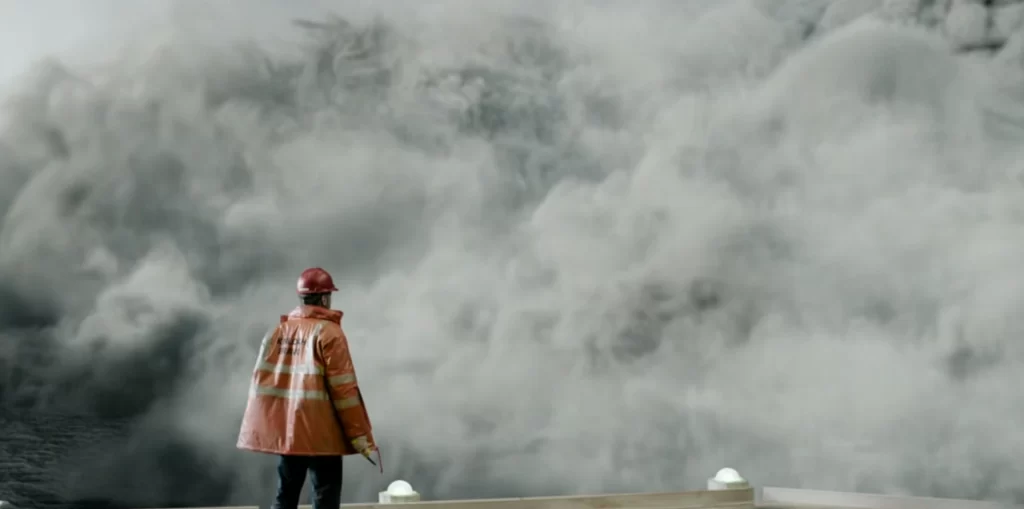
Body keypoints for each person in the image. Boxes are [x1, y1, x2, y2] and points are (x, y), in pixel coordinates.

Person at [237, 267, 379, 509]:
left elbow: (263, 386)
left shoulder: (277, 332)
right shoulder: (330, 333)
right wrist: (360, 437)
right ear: (324, 298)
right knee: (325, 497)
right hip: (322, 436)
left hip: (289, 434)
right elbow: (344, 391)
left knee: (285, 496)